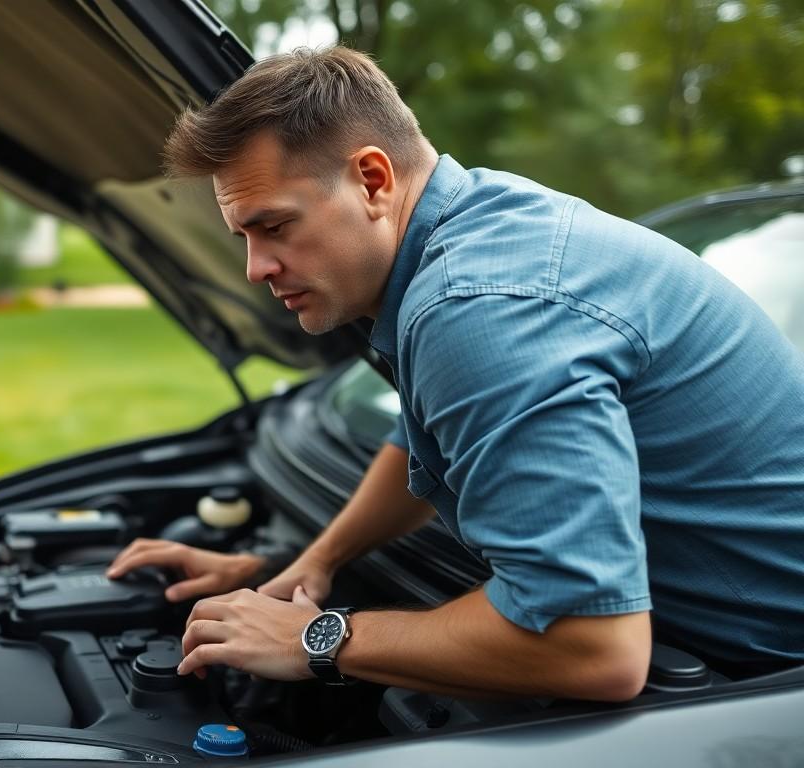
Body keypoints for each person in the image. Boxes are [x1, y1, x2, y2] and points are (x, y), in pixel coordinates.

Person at [108, 46, 804, 700]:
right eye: (245, 237)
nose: (256, 269)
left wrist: (318, 638)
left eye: (276, 226)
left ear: (373, 180)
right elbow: (427, 437)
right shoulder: (473, 221)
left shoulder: (478, 308)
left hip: (771, 676)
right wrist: (311, 561)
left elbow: (594, 649)